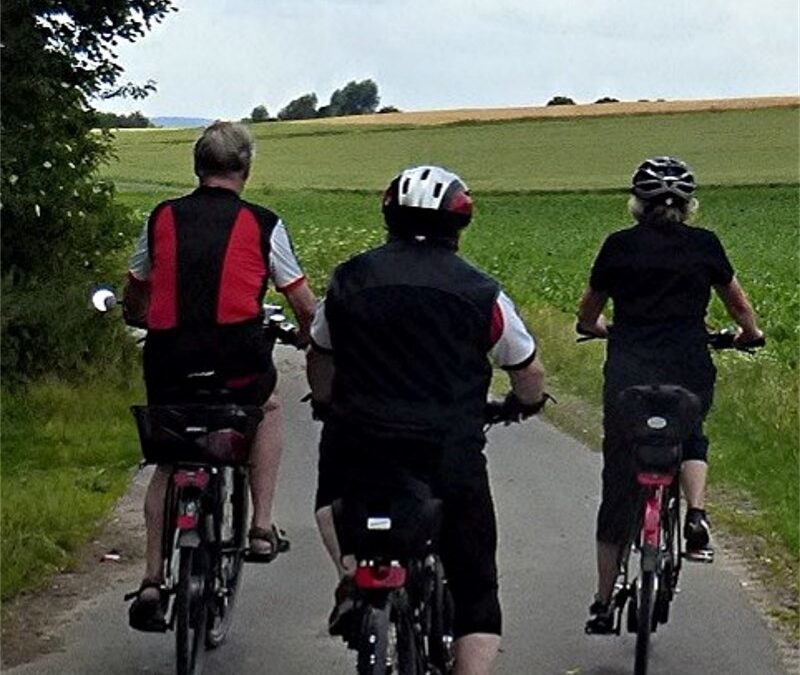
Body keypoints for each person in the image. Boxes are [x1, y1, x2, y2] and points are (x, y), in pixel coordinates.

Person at [307, 165, 548, 675]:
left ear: (389, 217)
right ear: (459, 225)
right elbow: (526, 368)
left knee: (332, 503)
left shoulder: (350, 279)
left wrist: (326, 402)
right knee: (475, 586)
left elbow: (320, 352)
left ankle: (351, 575)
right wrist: (524, 403)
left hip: (361, 444)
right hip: (446, 451)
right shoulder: (481, 292)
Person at [122, 121, 316, 632]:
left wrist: (138, 315)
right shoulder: (263, 223)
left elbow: (136, 287)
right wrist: (307, 336)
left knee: (169, 458)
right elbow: (301, 301)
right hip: (237, 358)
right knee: (267, 409)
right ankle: (260, 527)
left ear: (196, 166)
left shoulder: (162, 217)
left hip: (169, 358)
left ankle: (151, 579)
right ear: (245, 168)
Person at [577, 156, 763, 633]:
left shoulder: (618, 246)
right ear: (688, 205)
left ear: (637, 204)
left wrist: (604, 329)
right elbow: (739, 305)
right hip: (687, 368)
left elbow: (587, 315)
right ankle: (696, 515)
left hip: (628, 377)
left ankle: (603, 602)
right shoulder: (705, 245)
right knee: (691, 433)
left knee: (619, 480)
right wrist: (749, 334)